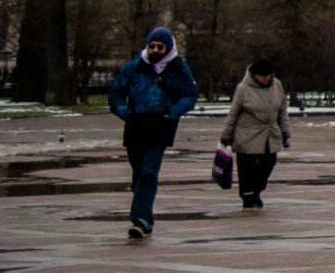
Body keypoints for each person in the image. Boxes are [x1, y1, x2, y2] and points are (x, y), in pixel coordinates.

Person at [108, 25, 200, 239]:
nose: (155, 50)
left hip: (161, 125)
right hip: (136, 125)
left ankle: (140, 219)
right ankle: (144, 211)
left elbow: (190, 95)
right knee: (138, 174)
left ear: (168, 48)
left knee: (149, 172)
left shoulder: (178, 69)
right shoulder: (133, 68)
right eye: (152, 46)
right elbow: (115, 94)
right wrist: (126, 113)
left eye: (160, 46)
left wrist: (173, 112)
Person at [219, 58, 289, 209]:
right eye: (263, 76)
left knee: (269, 162)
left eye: (269, 75)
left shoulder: (276, 85)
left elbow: (282, 110)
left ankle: (256, 190)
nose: (266, 79)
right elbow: (233, 114)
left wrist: (285, 132)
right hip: (247, 135)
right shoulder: (243, 88)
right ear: (255, 75)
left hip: (269, 134)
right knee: (246, 169)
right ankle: (247, 196)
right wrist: (226, 136)